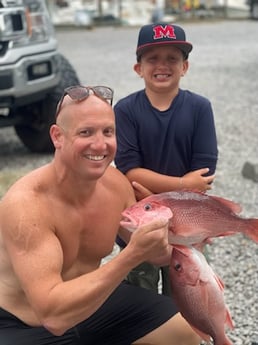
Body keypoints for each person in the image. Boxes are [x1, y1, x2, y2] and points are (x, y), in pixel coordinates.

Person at [0, 85, 201, 345]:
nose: (100, 144)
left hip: (92, 302)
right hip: (26, 323)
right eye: (86, 132)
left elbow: (156, 254)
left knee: (185, 334)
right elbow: (52, 314)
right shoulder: (26, 205)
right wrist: (131, 256)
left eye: (108, 132)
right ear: (57, 136)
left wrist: (172, 234)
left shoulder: (116, 185)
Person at [114, 23, 218, 296]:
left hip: (186, 224)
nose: (163, 65)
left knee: (187, 295)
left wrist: (154, 195)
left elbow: (204, 176)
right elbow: (130, 172)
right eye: (153, 59)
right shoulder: (125, 110)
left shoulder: (200, 108)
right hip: (140, 222)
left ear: (185, 66)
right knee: (141, 295)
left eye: (172, 58)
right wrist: (182, 184)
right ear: (139, 69)